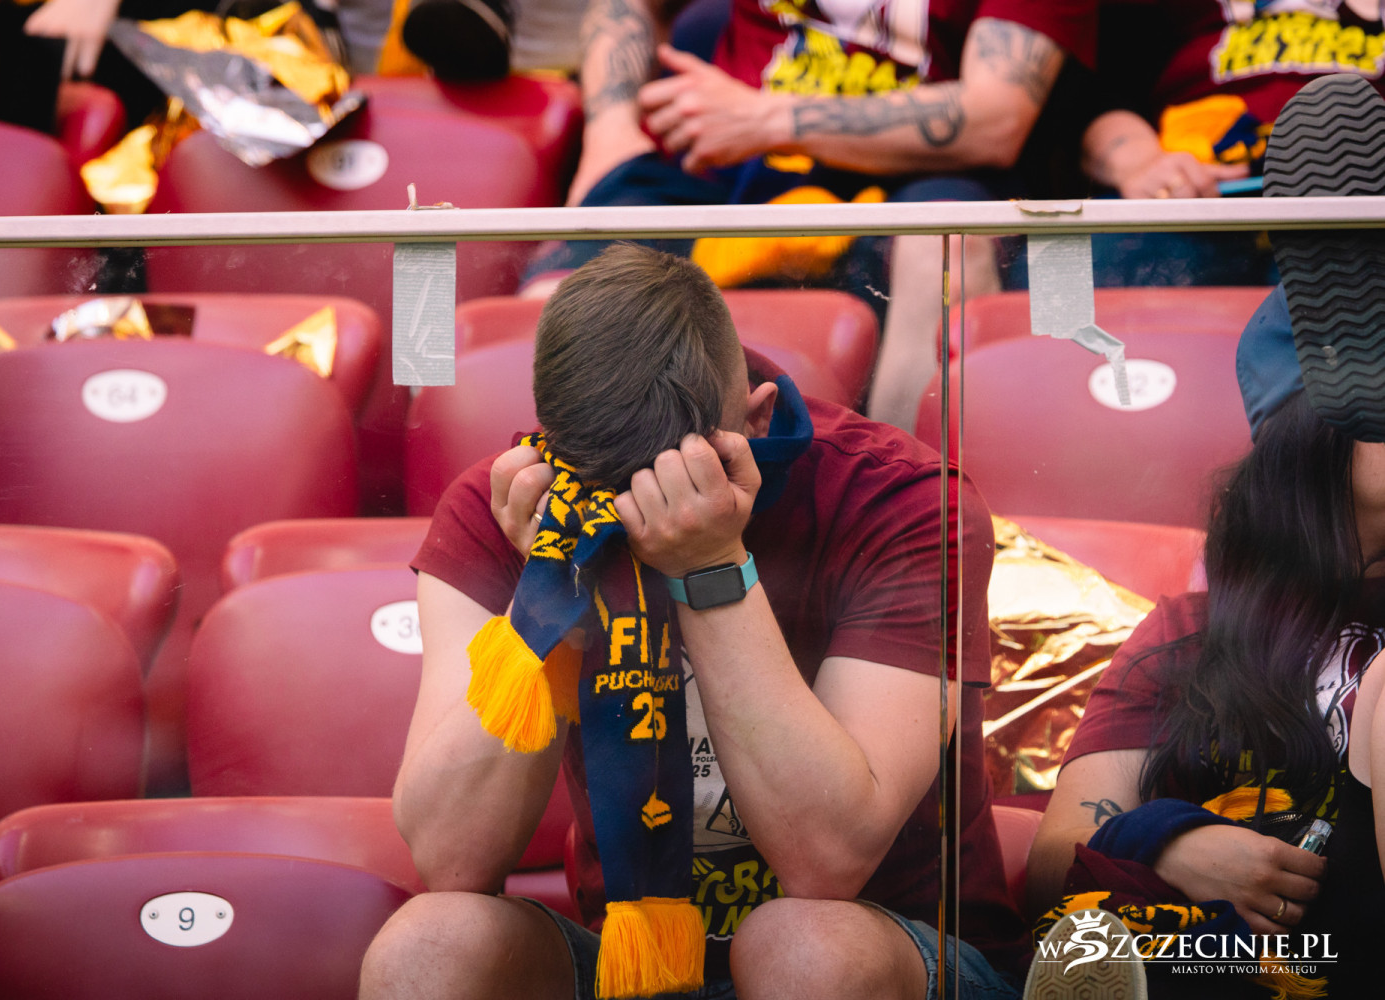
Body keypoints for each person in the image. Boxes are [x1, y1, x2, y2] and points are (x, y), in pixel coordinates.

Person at [359, 243, 1025, 1000]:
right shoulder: (513, 504)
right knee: (428, 947)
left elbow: (827, 862)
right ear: (552, 440)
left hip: (890, 946)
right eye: (612, 497)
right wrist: (551, 590)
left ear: (757, 418)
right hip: (635, 960)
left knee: (801, 950)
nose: (645, 518)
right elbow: (449, 858)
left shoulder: (898, 498)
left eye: (678, 477)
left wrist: (710, 567)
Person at [1022, 76, 1385, 998]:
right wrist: (1171, 842)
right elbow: (1049, 862)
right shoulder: (1194, 633)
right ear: (1310, 447)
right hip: (1230, 964)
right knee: (1121, 955)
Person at [516, 0, 1096, 430]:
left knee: (945, 247)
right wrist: (610, 129)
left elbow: (996, 119)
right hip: (716, 168)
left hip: (910, 179)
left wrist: (768, 119)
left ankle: (909, 507)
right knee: (553, 296)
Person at [1079, 0, 1385, 288]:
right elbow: (1088, 98)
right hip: (1198, 200)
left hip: (1362, 192)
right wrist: (1142, 163)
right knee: (1094, 259)